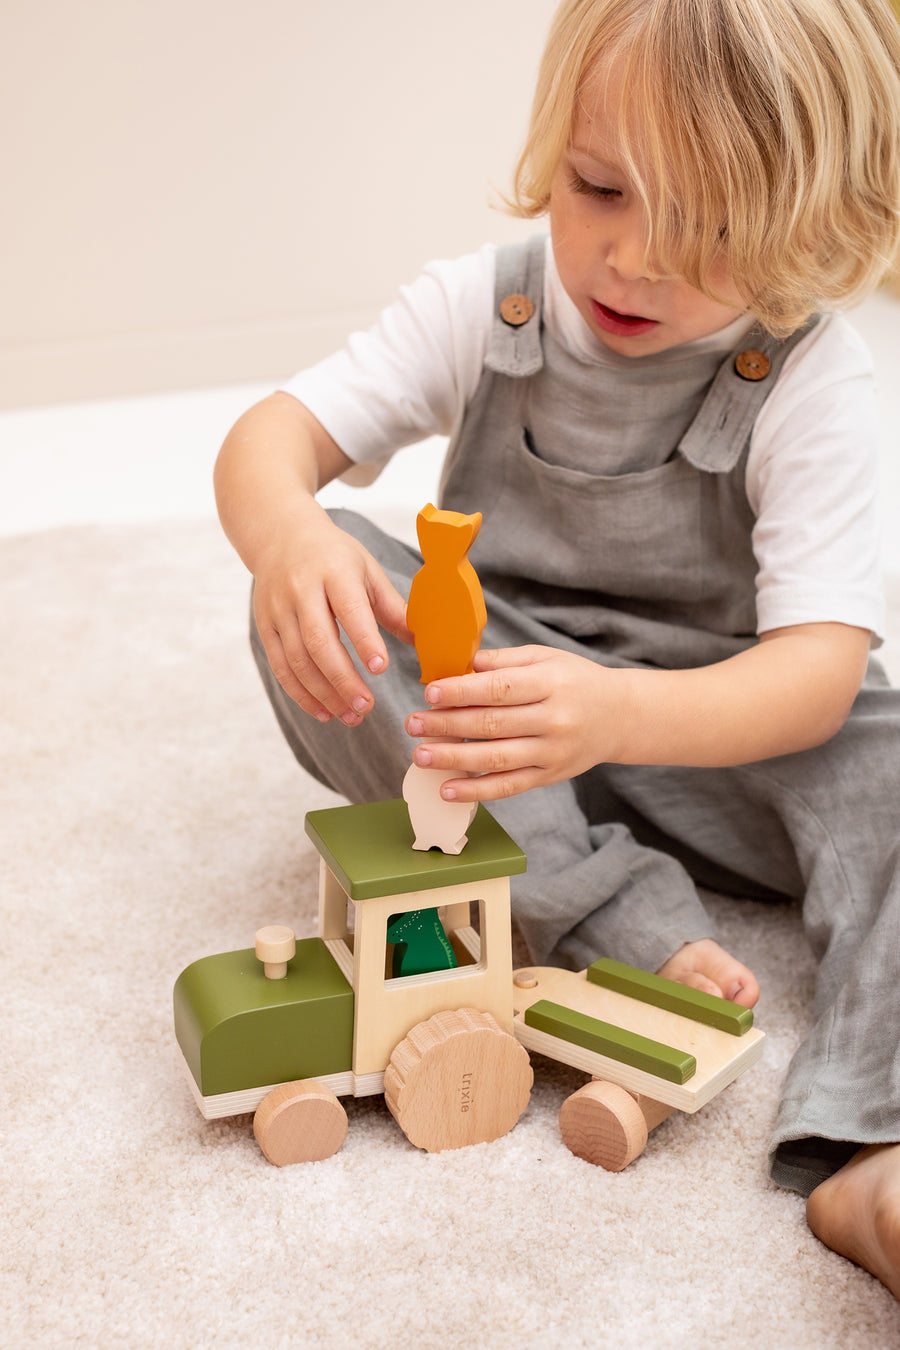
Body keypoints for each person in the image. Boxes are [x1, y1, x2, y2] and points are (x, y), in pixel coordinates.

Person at [214, 0, 900, 1298]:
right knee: (344, 582)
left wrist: (623, 714)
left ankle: (875, 1136)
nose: (631, 257)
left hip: (715, 720)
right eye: (598, 189)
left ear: (813, 222)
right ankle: (607, 912)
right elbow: (270, 440)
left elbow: (811, 670)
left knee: (893, 758)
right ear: (556, 147)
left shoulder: (810, 379)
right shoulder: (489, 305)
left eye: (704, 228)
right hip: (494, 719)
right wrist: (290, 539)